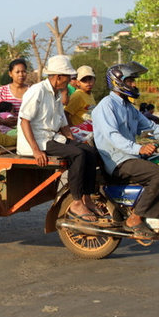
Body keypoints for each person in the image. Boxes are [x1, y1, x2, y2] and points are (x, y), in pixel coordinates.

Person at [92, 62, 159, 239]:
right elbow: (113, 136)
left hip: (130, 157)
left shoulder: (128, 107)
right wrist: (139, 148)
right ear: (118, 82)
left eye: (133, 81)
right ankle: (135, 218)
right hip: (118, 161)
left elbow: (150, 127)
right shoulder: (107, 106)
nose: (134, 85)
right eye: (130, 81)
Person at [17, 55, 100, 222]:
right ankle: (76, 202)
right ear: (59, 76)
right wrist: (36, 150)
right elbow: (24, 121)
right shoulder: (37, 91)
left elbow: (63, 124)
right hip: (38, 141)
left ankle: (87, 198)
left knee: (89, 151)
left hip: (53, 137)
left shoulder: (56, 94)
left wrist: (74, 141)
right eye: (68, 77)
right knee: (78, 154)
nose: (70, 80)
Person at [0, 59, 29, 132]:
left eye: (23, 71)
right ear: (10, 73)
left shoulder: (31, 91)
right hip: (5, 131)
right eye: (17, 72)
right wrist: (4, 122)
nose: (21, 74)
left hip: (26, 130)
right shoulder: (2, 90)